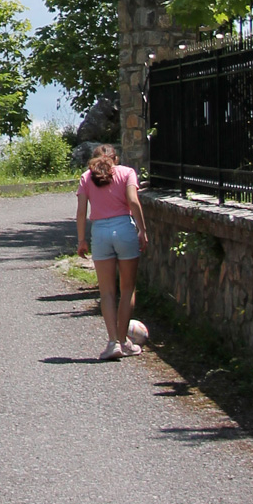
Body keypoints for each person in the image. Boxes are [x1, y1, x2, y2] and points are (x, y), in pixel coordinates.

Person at [75, 143, 148, 361]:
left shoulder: (86, 177)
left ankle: (113, 342)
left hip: (100, 232)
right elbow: (133, 202)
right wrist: (142, 230)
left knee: (106, 292)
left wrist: (81, 240)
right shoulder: (127, 173)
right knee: (127, 289)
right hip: (124, 228)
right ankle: (125, 340)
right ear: (115, 158)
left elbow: (81, 212)